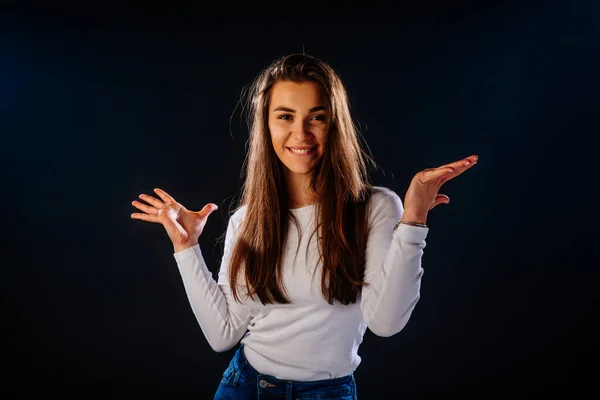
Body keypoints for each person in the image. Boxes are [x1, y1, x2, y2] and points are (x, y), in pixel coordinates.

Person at [130, 54, 478, 400]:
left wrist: (414, 218)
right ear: (266, 125)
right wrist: (186, 246)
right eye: (285, 116)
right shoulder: (247, 220)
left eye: (317, 117)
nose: (301, 133)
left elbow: (386, 324)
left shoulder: (376, 208)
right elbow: (222, 334)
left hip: (328, 392)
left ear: (335, 124)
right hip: (243, 387)